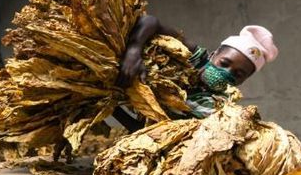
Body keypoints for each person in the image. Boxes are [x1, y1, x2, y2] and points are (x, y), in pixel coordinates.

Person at [117, 15, 278, 119]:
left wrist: (116, 106)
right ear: (213, 54)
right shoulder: (191, 56)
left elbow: (162, 130)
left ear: (243, 81)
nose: (226, 72)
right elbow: (149, 21)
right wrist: (133, 51)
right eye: (224, 63)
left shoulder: (218, 109)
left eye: (238, 74)